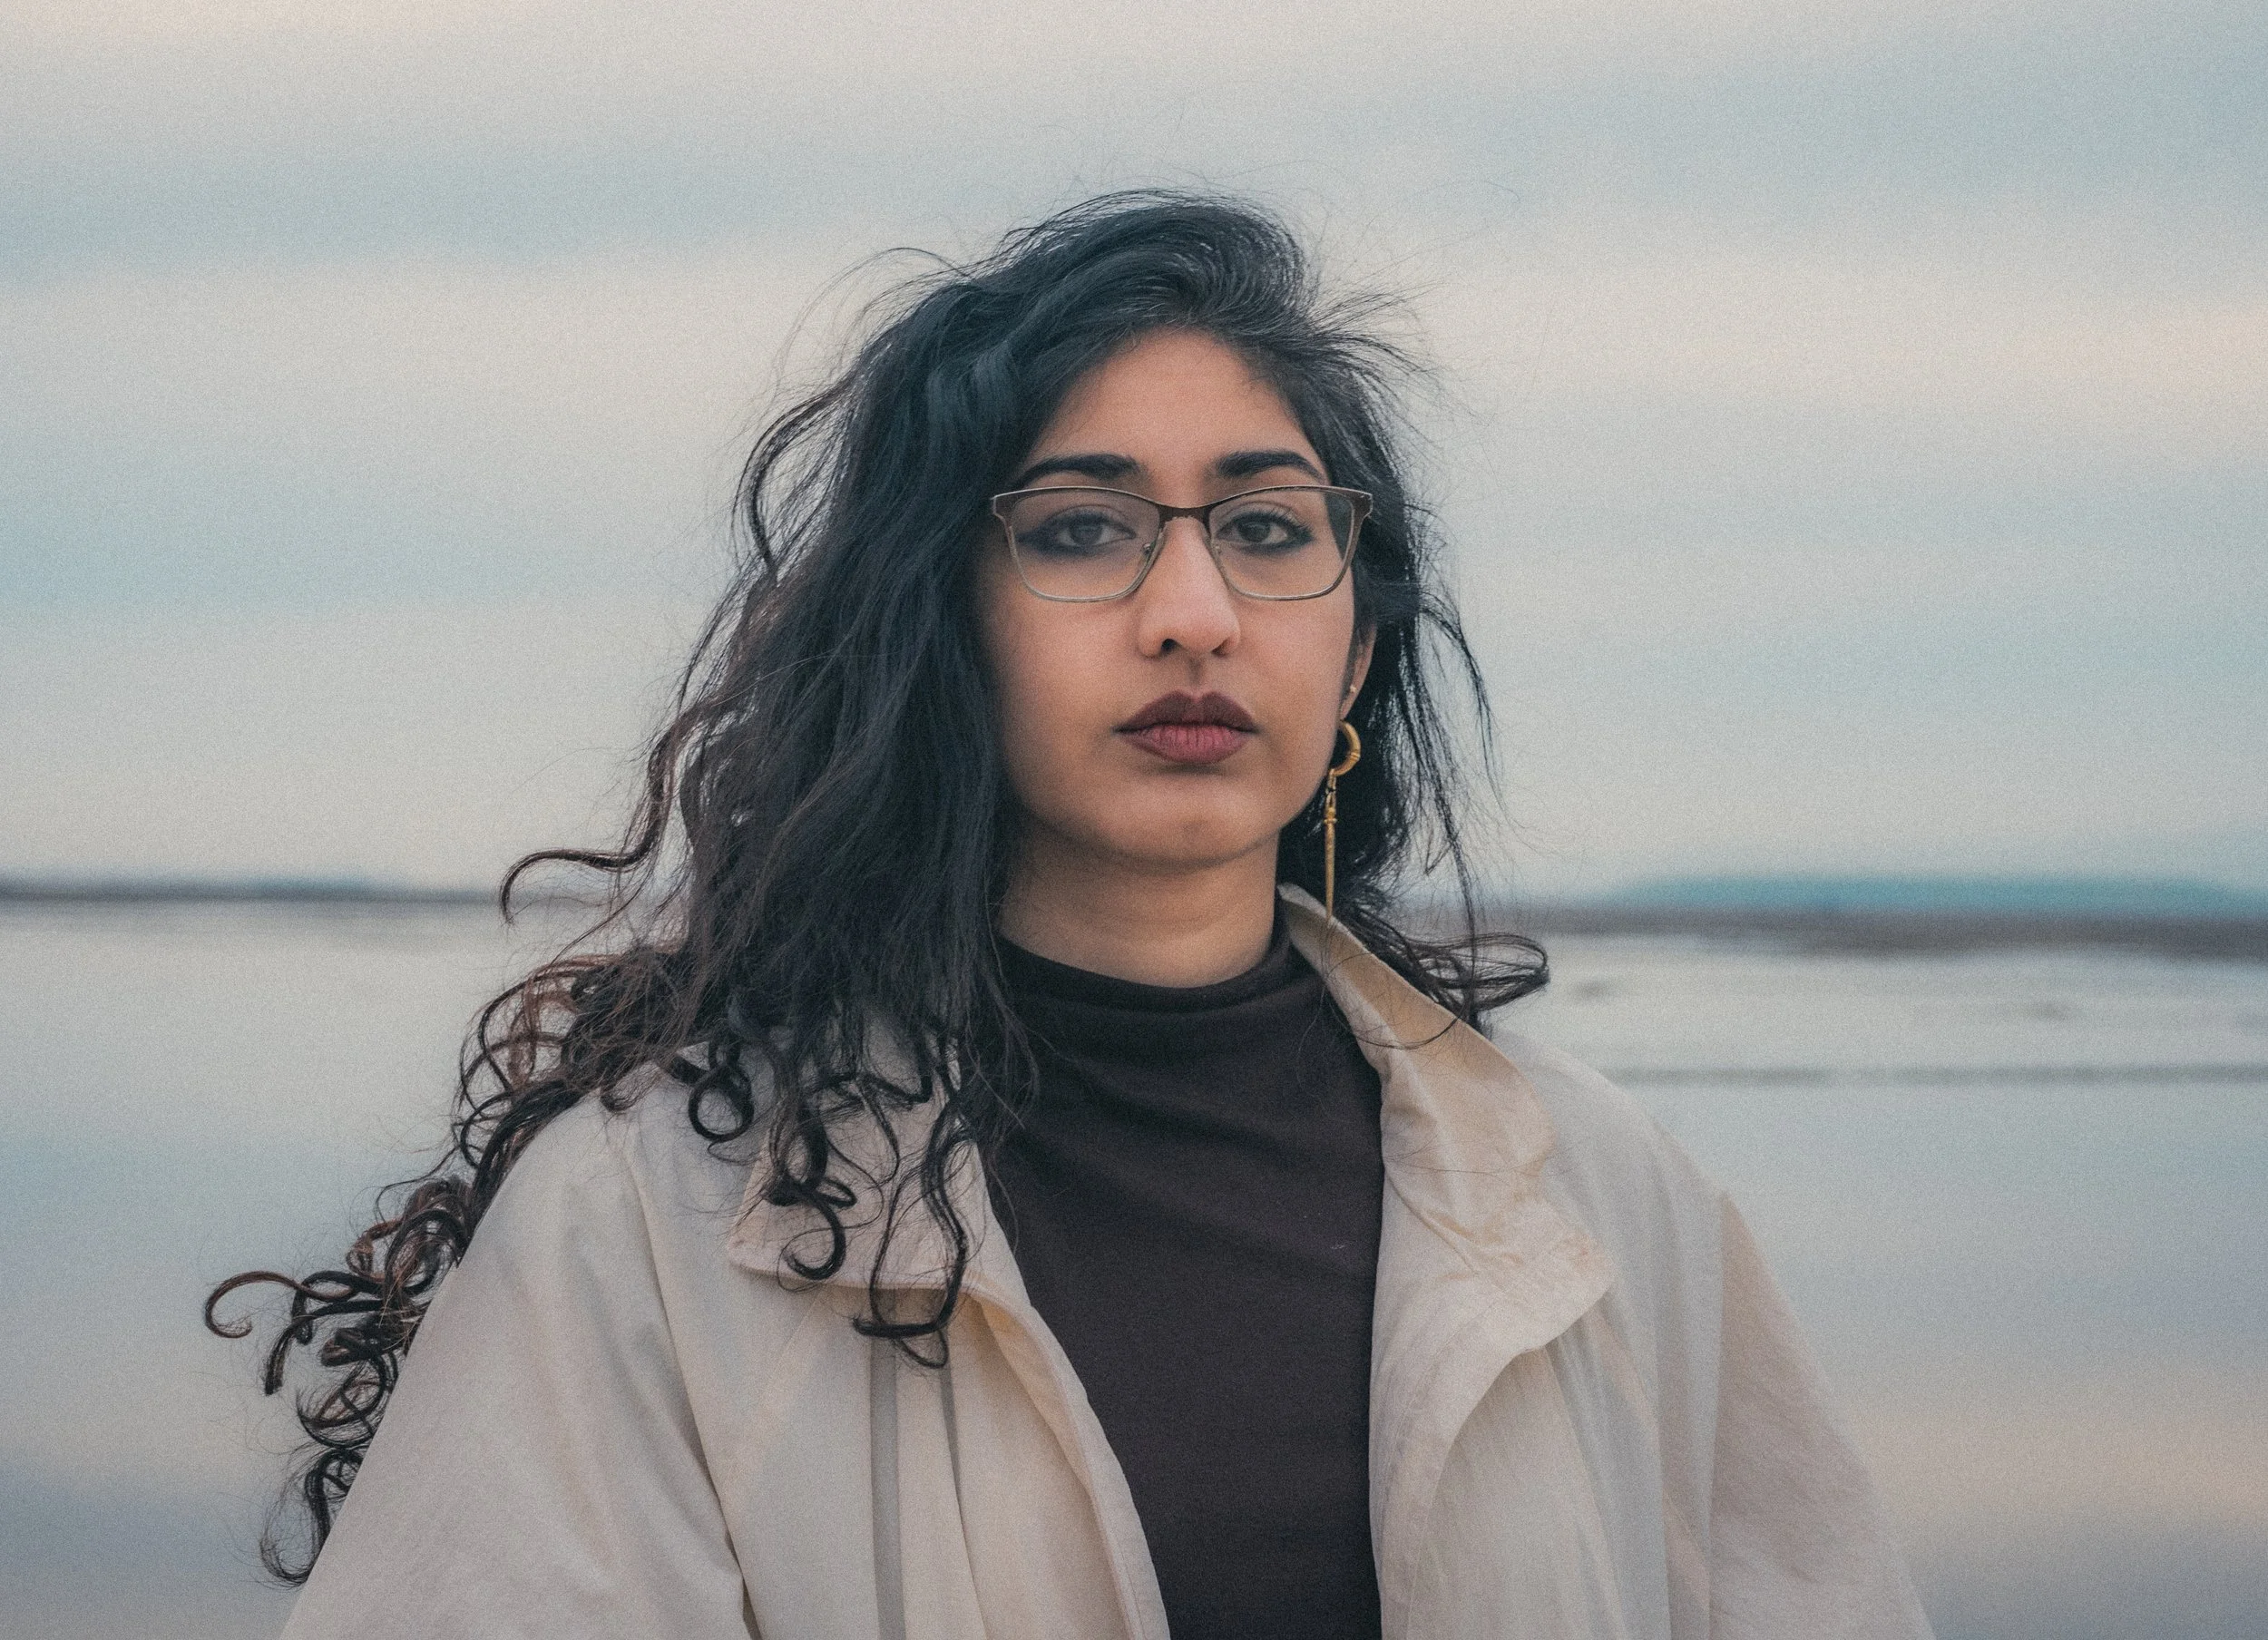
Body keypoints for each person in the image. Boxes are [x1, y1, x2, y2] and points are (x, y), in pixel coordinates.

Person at [210, 193, 1931, 1639]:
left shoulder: (1602, 1205)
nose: (1194, 611)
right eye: (1085, 529)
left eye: (1268, 528)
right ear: (935, 631)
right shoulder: (650, 1226)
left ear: (1360, 636)